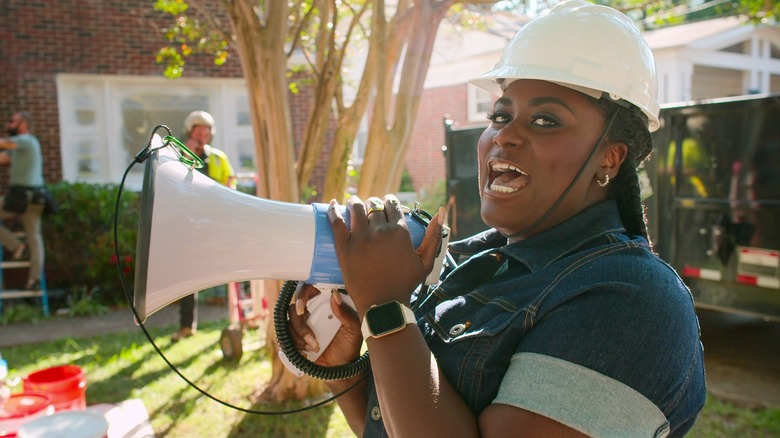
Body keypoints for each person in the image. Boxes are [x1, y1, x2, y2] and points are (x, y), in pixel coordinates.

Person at [288, 1, 706, 437]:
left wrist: (386, 309)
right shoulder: (473, 261)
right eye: (499, 115)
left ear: (610, 157)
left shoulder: (632, 300)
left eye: (545, 120)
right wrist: (345, 367)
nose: (504, 134)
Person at [171, 110, 236, 341]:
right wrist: (186, 154)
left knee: (230, 272)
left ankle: (235, 322)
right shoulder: (177, 155)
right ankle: (186, 326)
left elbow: (230, 186)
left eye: (206, 132)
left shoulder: (218, 158)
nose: (202, 136)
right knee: (187, 276)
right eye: (198, 132)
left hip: (215, 224)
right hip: (189, 225)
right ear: (189, 133)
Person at [0, 112, 46, 291]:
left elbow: (3, 143)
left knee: (34, 237)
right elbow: (3, 157)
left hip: (26, 197)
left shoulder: (26, 140)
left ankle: (17, 247)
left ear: (24, 124)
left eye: (13, 121)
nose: (9, 124)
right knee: (34, 237)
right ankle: (33, 279)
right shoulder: (19, 148)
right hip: (31, 199)